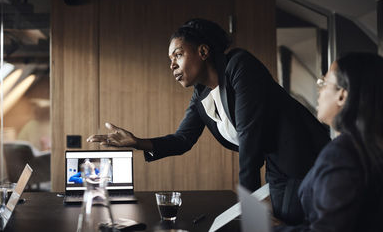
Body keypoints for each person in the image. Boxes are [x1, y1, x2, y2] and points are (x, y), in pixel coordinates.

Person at [87, 18, 330, 224]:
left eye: (178, 55)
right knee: (275, 223)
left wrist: (251, 207)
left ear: (203, 52)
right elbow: (183, 139)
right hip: (277, 166)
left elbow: (249, 137)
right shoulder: (201, 94)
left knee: (289, 222)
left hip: (308, 157)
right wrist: (137, 142)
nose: (172, 65)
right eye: (170, 59)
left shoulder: (239, 65)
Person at [275, 52, 383, 231]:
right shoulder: (368, 145)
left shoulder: (342, 153)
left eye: (324, 83)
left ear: (342, 95)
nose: (319, 90)